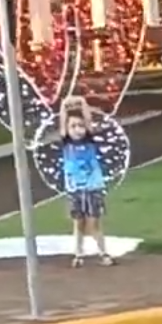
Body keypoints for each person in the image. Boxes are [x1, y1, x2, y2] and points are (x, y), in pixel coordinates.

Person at [55, 99, 115, 265]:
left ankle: (103, 253)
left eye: (80, 126)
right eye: (73, 126)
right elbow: (62, 119)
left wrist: (82, 103)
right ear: (67, 129)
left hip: (93, 187)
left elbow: (88, 119)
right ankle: (78, 254)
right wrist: (64, 104)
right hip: (75, 189)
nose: (78, 130)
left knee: (94, 222)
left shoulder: (89, 140)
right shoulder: (67, 142)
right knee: (78, 223)